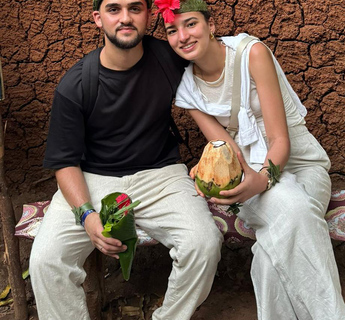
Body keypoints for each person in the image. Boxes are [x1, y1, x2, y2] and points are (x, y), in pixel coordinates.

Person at [29, 0, 223, 319]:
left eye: (135, 8)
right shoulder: (75, 84)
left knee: (202, 244)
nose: (125, 18)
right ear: (98, 18)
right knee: (46, 260)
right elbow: (65, 164)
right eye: (114, 9)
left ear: (149, 15)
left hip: (161, 175)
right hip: (92, 179)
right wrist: (88, 216)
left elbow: (222, 62)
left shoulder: (170, 57)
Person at [158, 0, 345, 319]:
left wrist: (263, 178)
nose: (183, 36)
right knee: (294, 210)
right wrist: (209, 172)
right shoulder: (186, 87)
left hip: (300, 162)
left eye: (190, 24)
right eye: (172, 30)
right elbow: (225, 149)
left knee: (275, 244)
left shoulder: (252, 53)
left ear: (211, 25)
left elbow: (279, 139)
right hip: (246, 172)